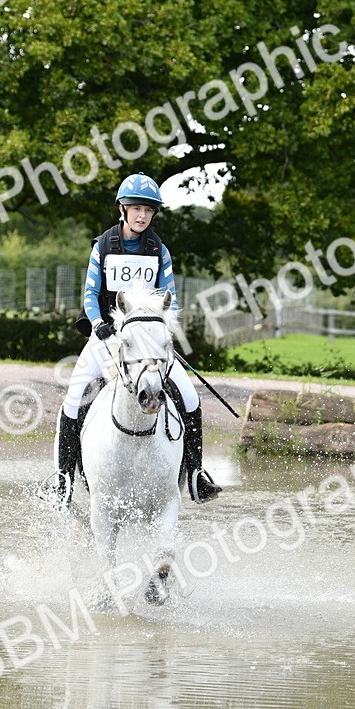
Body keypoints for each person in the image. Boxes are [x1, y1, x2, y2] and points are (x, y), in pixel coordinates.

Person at [48, 172, 222, 506]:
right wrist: (99, 323)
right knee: (73, 398)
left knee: (190, 398)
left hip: (148, 344)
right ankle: (63, 480)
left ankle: (197, 474)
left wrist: (162, 331)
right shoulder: (103, 245)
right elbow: (90, 293)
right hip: (108, 338)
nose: (142, 215)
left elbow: (170, 298)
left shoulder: (160, 250)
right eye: (136, 208)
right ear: (122, 209)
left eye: (148, 210)